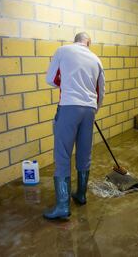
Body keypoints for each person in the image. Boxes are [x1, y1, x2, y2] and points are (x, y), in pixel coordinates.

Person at [43, 32, 105, 220]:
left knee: (62, 154)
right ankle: (81, 194)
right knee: (84, 152)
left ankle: (63, 206)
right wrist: (94, 109)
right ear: (88, 42)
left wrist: (68, 82)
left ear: (75, 40)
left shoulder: (63, 51)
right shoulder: (96, 59)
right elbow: (100, 90)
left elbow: (50, 79)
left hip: (69, 107)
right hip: (89, 110)